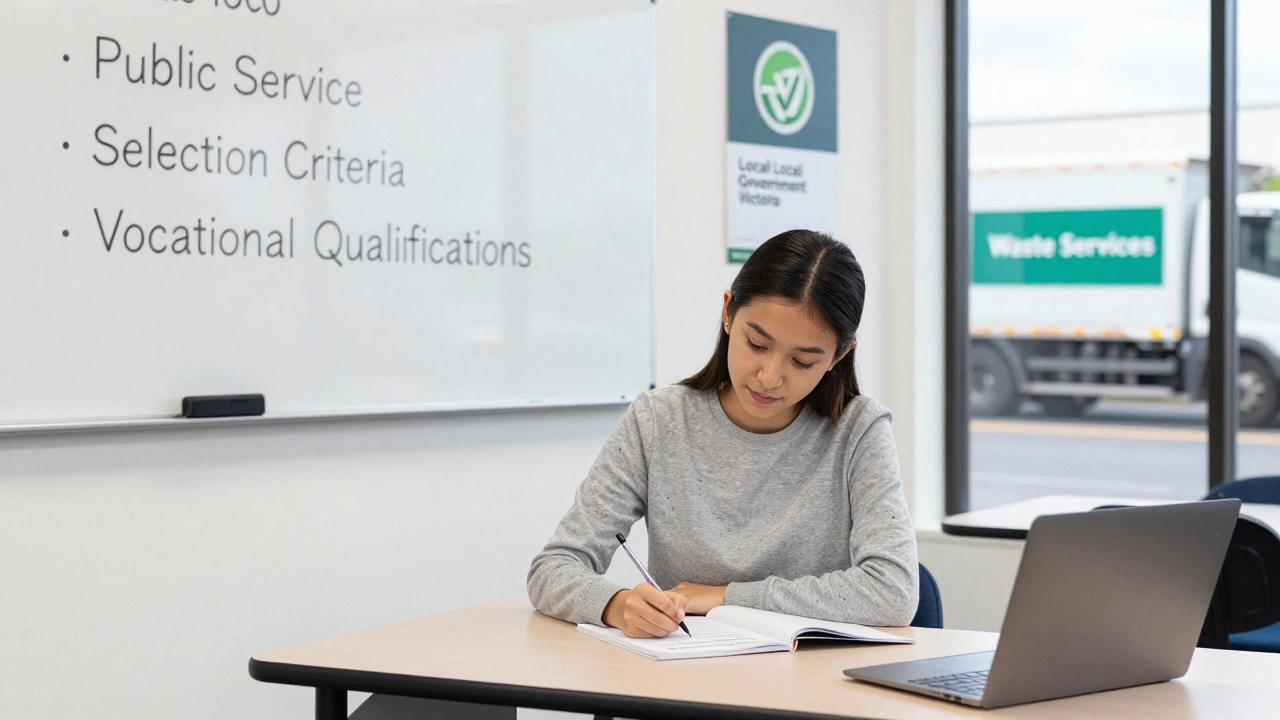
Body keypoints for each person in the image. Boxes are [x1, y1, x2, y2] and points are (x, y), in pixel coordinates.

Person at [527, 229, 918, 638]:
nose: (769, 377)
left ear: (839, 355)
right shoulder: (658, 421)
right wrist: (617, 605)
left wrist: (724, 597)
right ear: (728, 312)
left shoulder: (859, 431)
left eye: (802, 362)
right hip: (684, 681)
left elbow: (894, 591)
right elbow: (552, 569)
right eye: (757, 344)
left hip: (806, 684)